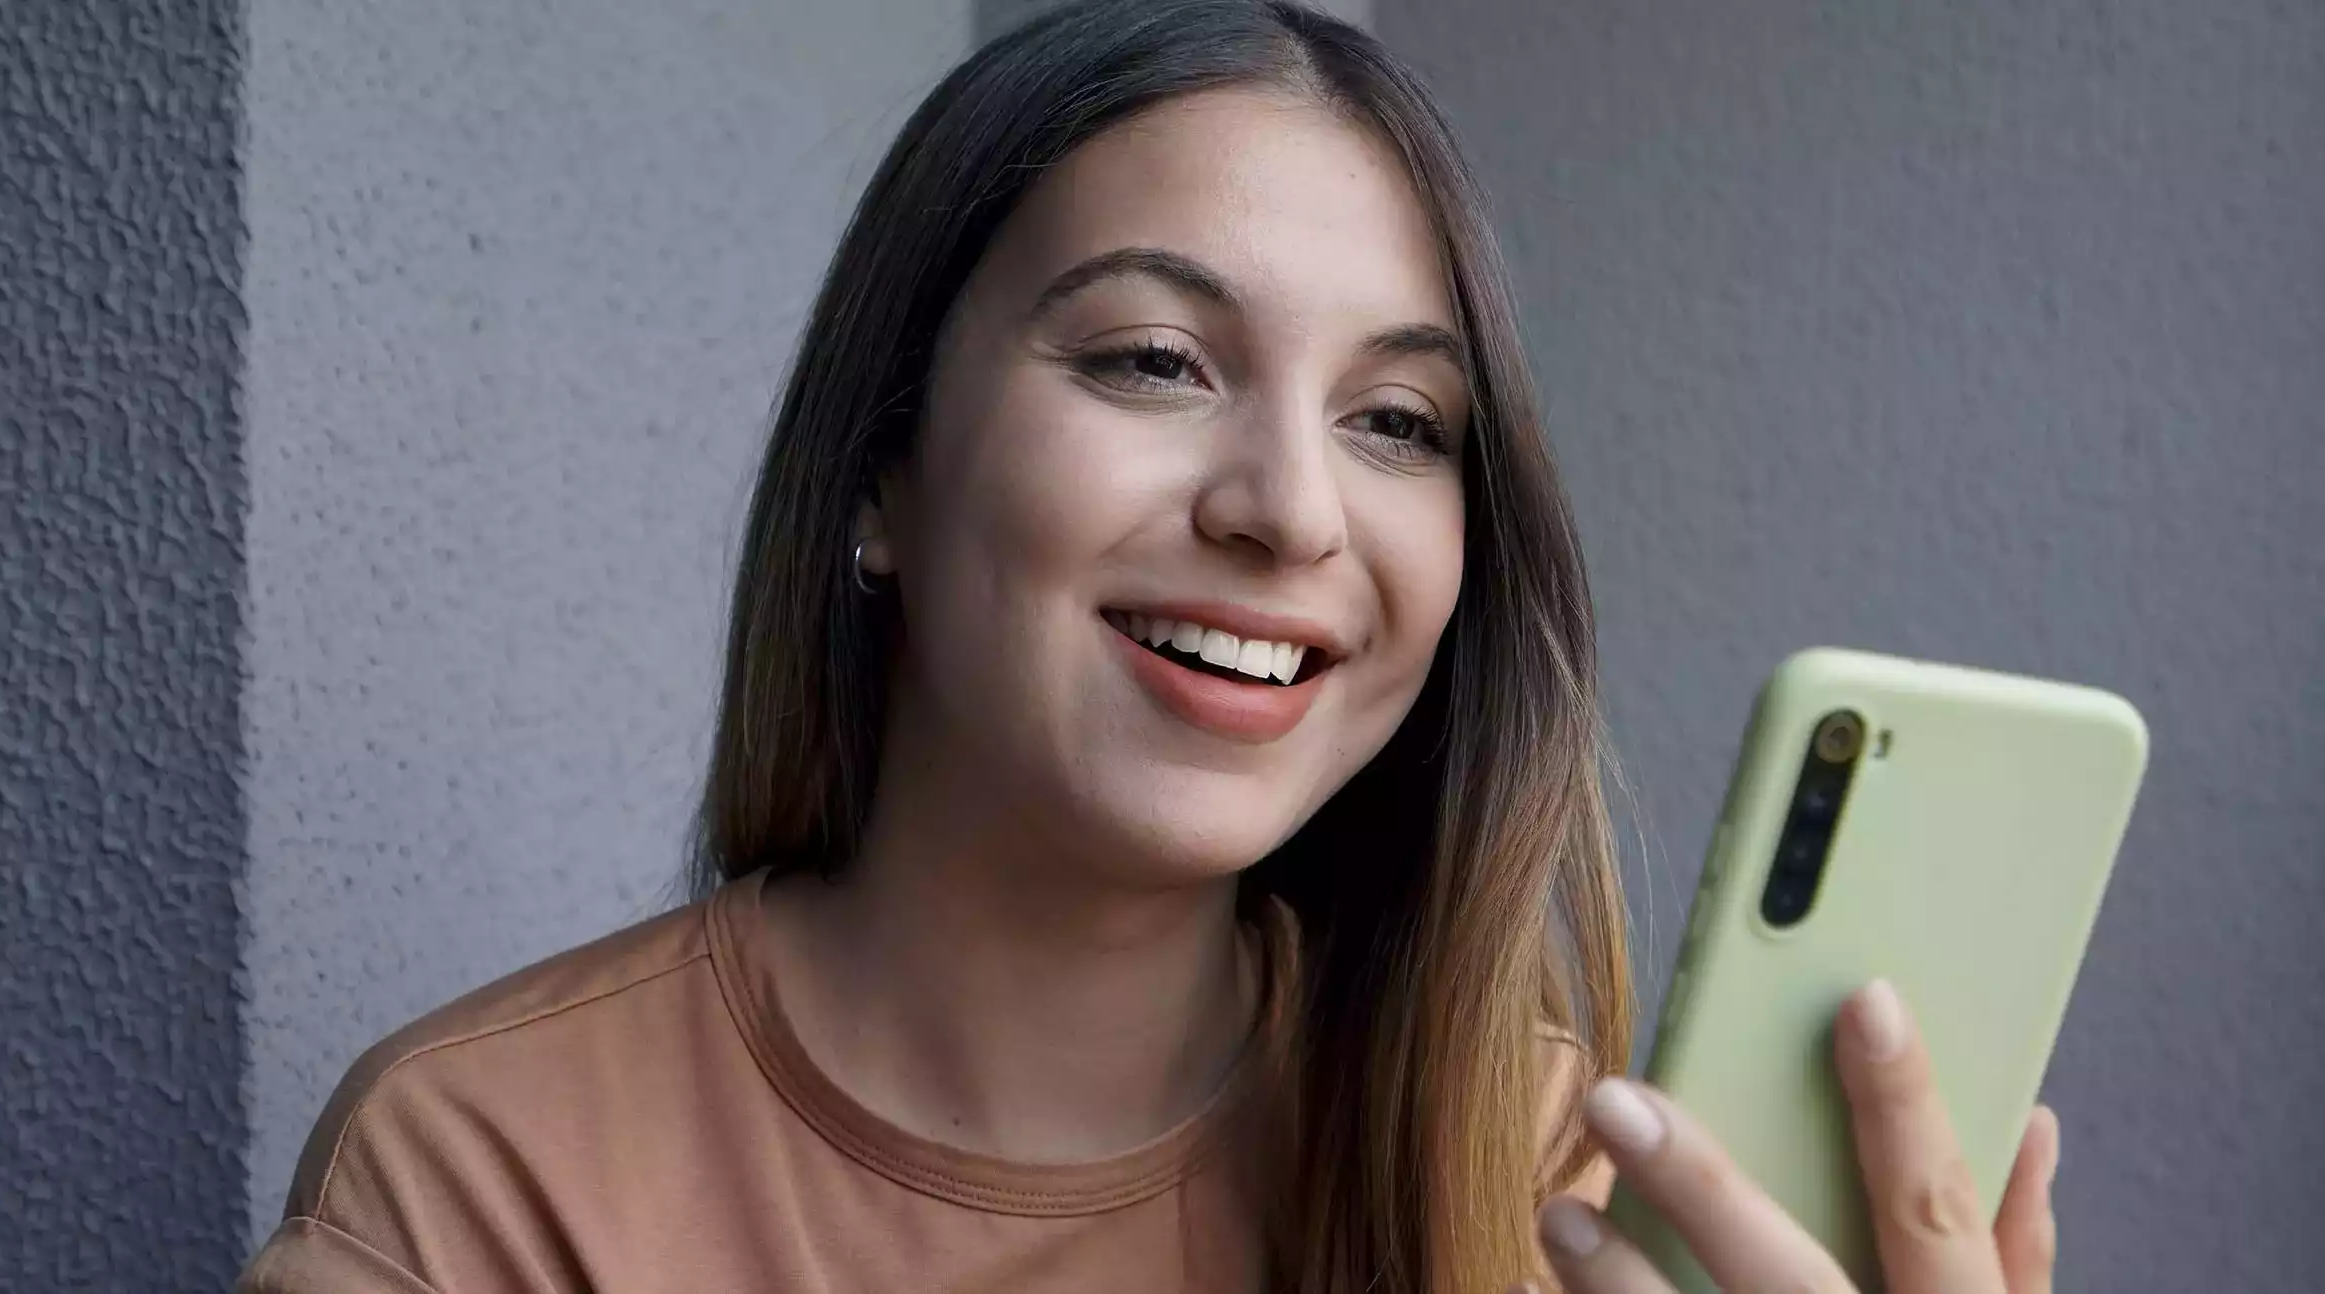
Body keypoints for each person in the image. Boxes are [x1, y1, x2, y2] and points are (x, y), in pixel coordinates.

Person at [236, 2, 2060, 1290]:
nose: (1292, 510)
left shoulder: (1552, 1182)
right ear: (882, 470)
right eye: (1153, 361)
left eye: (1400, 422)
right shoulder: (484, 1179)